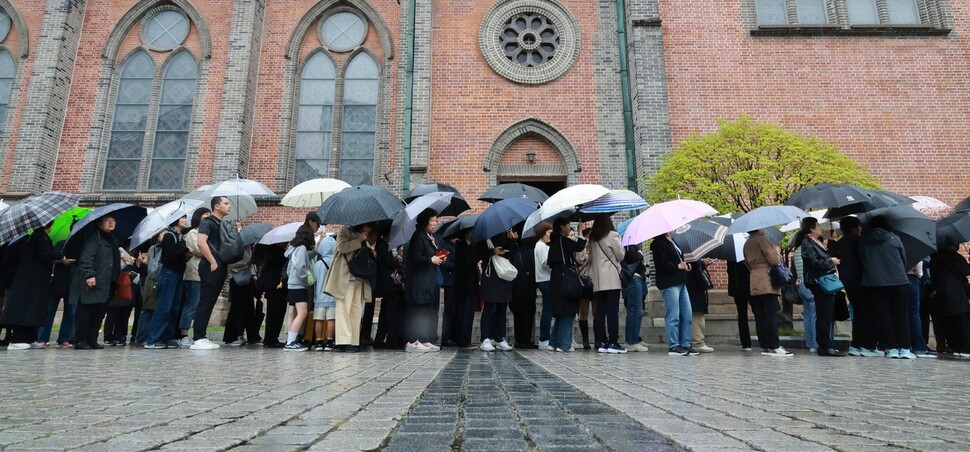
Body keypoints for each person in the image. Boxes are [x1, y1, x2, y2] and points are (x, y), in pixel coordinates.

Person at [1, 223, 68, 350]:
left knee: (34, 309)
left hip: (36, 280)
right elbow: (46, 253)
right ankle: (17, 339)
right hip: (30, 280)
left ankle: (30, 338)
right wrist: (60, 255)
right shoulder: (38, 237)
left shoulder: (37, 236)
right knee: (26, 308)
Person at [860, 215, 914, 359]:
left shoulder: (864, 240)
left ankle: (891, 347)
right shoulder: (894, 238)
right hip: (898, 281)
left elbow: (863, 260)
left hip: (874, 282)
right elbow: (903, 259)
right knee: (901, 315)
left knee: (883, 316)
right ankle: (905, 347)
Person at [71, 216, 121, 350]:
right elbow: (86, 258)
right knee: (87, 311)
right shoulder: (93, 239)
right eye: (107, 220)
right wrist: (90, 275)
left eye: (113, 220)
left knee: (100, 312)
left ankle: (92, 339)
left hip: (108, 282)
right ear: (99, 223)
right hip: (95, 281)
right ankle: (80, 340)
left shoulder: (112, 239)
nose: (111, 222)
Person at [797, 217, 843, 357]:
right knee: (823, 314)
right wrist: (831, 261)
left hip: (825, 280)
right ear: (811, 228)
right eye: (817, 225)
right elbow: (814, 262)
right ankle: (824, 346)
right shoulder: (807, 243)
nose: (820, 228)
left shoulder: (817, 242)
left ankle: (826, 344)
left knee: (826, 313)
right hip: (818, 282)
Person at [324, 223, 374, 353]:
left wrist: (366, 241)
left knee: (356, 310)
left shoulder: (363, 234)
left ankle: (354, 340)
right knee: (343, 308)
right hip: (346, 276)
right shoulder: (344, 231)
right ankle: (343, 341)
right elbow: (341, 247)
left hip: (359, 277)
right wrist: (359, 240)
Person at [191, 196, 232, 350]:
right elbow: (201, 242)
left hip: (219, 265)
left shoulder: (220, 224)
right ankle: (198, 338)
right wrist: (212, 261)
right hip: (210, 266)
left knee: (210, 300)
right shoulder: (207, 222)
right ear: (216, 206)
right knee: (206, 300)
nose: (229, 206)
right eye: (226, 203)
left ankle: (201, 335)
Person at [743, 228, 792, 357]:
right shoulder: (763, 240)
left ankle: (764, 345)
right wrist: (776, 253)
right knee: (771, 314)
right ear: (758, 228)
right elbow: (774, 261)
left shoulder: (747, 243)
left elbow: (746, 262)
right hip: (766, 279)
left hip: (754, 278)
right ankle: (774, 345)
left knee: (760, 315)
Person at [837, 216, 880, 357]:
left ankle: (856, 344)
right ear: (853, 228)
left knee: (858, 313)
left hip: (848, 282)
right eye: (858, 227)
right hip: (862, 282)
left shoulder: (840, 243)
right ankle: (867, 345)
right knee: (866, 314)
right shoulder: (858, 242)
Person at [651, 231, 698, 356]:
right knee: (673, 315)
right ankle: (674, 345)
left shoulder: (673, 241)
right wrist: (678, 267)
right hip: (669, 283)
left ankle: (686, 343)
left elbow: (679, 260)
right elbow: (662, 265)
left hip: (681, 281)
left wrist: (685, 266)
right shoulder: (658, 244)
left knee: (687, 314)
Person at [144, 216, 188, 349]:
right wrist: (185, 250)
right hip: (169, 274)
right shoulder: (169, 236)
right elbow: (170, 256)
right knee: (164, 307)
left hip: (178, 274)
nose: (185, 220)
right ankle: (153, 339)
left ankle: (166, 337)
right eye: (183, 218)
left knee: (174, 308)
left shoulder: (179, 236)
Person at [404, 209, 445, 352]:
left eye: (435, 220)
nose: (435, 223)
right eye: (432, 220)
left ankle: (423, 339)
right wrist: (430, 259)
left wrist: (438, 255)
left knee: (426, 311)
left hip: (428, 281)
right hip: (419, 282)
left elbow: (429, 255)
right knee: (418, 311)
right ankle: (413, 341)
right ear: (424, 221)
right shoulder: (418, 236)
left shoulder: (428, 237)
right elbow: (415, 258)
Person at [587, 215, 626, 354]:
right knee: (612, 312)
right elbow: (620, 256)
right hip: (611, 279)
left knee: (599, 312)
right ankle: (613, 342)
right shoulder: (612, 235)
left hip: (598, 280)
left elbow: (591, 258)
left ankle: (602, 341)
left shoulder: (592, 239)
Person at [547, 218, 586, 352]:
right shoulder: (563, 241)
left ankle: (553, 342)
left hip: (556, 279)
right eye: (568, 225)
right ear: (562, 227)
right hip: (566, 279)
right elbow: (579, 246)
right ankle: (564, 343)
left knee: (560, 312)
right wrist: (580, 231)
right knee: (567, 311)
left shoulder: (554, 243)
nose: (570, 227)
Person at [928, 242, 970, 357]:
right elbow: (966, 270)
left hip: (940, 295)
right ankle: (964, 347)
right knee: (961, 323)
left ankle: (953, 345)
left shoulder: (934, 257)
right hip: (956, 295)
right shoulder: (954, 257)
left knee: (948, 323)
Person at [479, 230, 517, 352]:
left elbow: (513, 253)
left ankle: (499, 337)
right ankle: (486, 338)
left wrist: (511, 239)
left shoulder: (506, 233)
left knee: (502, 307)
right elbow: (478, 253)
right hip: (491, 275)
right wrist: (492, 251)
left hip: (503, 274)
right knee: (490, 307)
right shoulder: (485, 235)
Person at [177, 207, 209, 348]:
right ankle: (183, 335)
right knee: (191, 305)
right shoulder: (193, 233)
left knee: (201, 306)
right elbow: (199, 250)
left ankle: (200, 334)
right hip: (194, 274)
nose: (208, 217)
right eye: (205, 215)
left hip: (206, 275)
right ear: (198, 217)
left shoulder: (208, 234)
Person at [37, 242, 76, 348]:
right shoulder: (61, 244)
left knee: (71, 313)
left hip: (73, 283)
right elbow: (51, 258)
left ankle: (64, 338)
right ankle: (42, 338)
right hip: (57, 283)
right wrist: (61, 260)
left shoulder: (83, 246)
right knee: (49, 312)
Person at [283, 225, 315, 351]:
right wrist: (305, 280)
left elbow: (290, 269)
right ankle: (291, 342)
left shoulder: (293, 249)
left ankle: (290, 340)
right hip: (299, 285)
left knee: (293, 313)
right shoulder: (301, 249)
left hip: (292, 284)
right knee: (303, 312)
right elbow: (301, 267)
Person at [224, 243, 257, 346]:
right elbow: (231, 262)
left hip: (247, 279)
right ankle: (230, 337)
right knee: (236, 308)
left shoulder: (248, 247)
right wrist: (248, 261)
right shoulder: (235, 247)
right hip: (237, 279)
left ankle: (252, 336)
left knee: (249, 309)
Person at [257, 243, 287, 348]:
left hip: (270, 286)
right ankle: (271, 339)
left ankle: (270, 338)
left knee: (272, 313)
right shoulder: (278, 254)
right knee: (276, 313)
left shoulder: (269, 252)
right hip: (276, 286)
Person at [511, 231, 538, 349]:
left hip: (516, 286)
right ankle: (526, 340)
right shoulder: (532, 252)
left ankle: (518, 339)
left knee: (518, 314)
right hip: (528, 286)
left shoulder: (517, 252)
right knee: (528, 313)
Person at [103, 252, 136, 346]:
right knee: (113, 314)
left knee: (121, 314)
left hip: (123, 287)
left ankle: (117, 336)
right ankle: (109, 337)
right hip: (115, 286)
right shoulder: (114, 251)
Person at [790, 242, 817, 353]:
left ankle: (810, 343)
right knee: (815, 314)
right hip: (810, 284)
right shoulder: (809, 250)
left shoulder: (797, 251)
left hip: (801, 285)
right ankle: (816, 343)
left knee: (808, 314)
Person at [454, 228, 479, 348]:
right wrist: (475, 262)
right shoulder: (460, 246)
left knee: (469, 313)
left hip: (472, 284)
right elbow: (465, 262)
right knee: (463, 313)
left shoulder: (474, 246)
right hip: (463, 285)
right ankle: (462, 340)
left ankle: (467, 339)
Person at [621, 243, 649, 352]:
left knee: (638, 310)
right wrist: (640, 255)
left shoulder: (636, 244)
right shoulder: (628, 243)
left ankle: (636, 337)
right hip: (633, 278)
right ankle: (631, 341)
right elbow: (631, 258)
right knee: (634, 310)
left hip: (639, 278)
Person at [312, 233, 337, 351]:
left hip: (320, 296)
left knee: (319, 319)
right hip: (332, 296)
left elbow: (314, 279)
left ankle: (319, 342)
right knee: (331, 319)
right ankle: (329, 341)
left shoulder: (318, 264)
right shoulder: (336, 263)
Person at [906, 261, 933, 357]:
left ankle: (903, 344)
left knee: (901, 314)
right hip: (912, 278)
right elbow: (918, 268)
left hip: (897, 279)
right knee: (914, 315)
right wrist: (920, 274)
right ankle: (918, 346)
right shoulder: (915, 248)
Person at [686, 259, 714, 353]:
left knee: (697, 313)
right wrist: (701, 263)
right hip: (694, 286)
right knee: (697, 314)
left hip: (693, 286)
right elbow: (693, 265)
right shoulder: (688, 254)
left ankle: (695, 341)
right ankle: (698, 342)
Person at [534, 222, 554, 350]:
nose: (550, 235)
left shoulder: (543, 246)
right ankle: (544, 338)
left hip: (546, 279)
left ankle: (545, 338)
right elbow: (545, 263)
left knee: (549, 309)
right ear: (543, 233)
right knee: (548, 309)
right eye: (548, 233)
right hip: (545, 279)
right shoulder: (541, 246)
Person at [727, 260, 753, 351]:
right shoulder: (748, 253)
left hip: (737, 287)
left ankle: (746, 344)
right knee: (758, 314)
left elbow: (729, 271)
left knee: (742, 316)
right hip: (749, 286)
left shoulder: (731, 255)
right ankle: (763, 342)